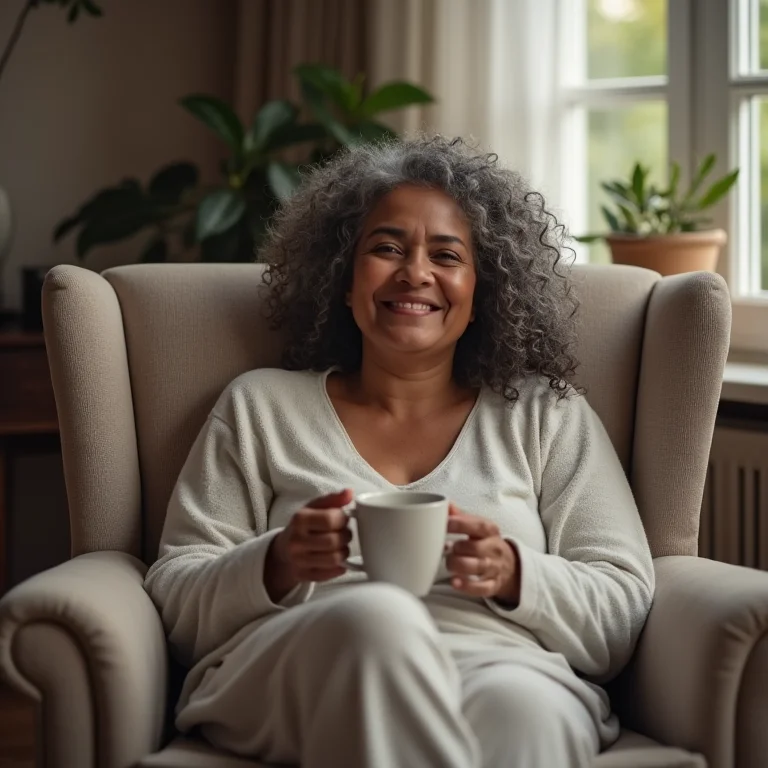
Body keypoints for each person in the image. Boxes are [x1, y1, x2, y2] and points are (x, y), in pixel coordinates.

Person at [144, 136, 654, 768]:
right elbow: (176, 595)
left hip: (497, 661)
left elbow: (622, 609)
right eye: (387, 248)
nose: (415, 272)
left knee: (526, 711)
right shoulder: (261, 407)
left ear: (481, 292)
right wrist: (275, 562)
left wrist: (516, 573)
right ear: (343, 278)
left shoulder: (546, 415)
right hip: (301, 659)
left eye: (447, 254)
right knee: (378, 621)